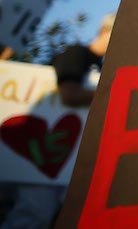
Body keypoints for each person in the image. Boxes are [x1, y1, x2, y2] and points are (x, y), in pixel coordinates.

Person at [0, 14, 114, 229]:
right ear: (107, 31)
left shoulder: (99, 65)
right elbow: (69, 95)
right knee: (34, 213)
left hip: (62, 158)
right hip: (42, 155)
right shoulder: (77, 54)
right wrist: (114, 92)